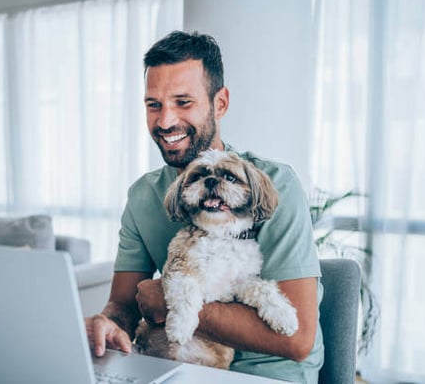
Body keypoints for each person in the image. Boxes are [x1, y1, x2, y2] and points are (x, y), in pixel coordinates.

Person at [84, 30, 324, 383]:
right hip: (173, 367)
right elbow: (123, 305)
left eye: (183, 102)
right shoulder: (143, 195)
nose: (165, 122)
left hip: (264, 376)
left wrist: (176, 304)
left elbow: (298, 340)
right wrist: (108, 324)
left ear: (220, 103)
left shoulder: (274, 184)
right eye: (154, 105)